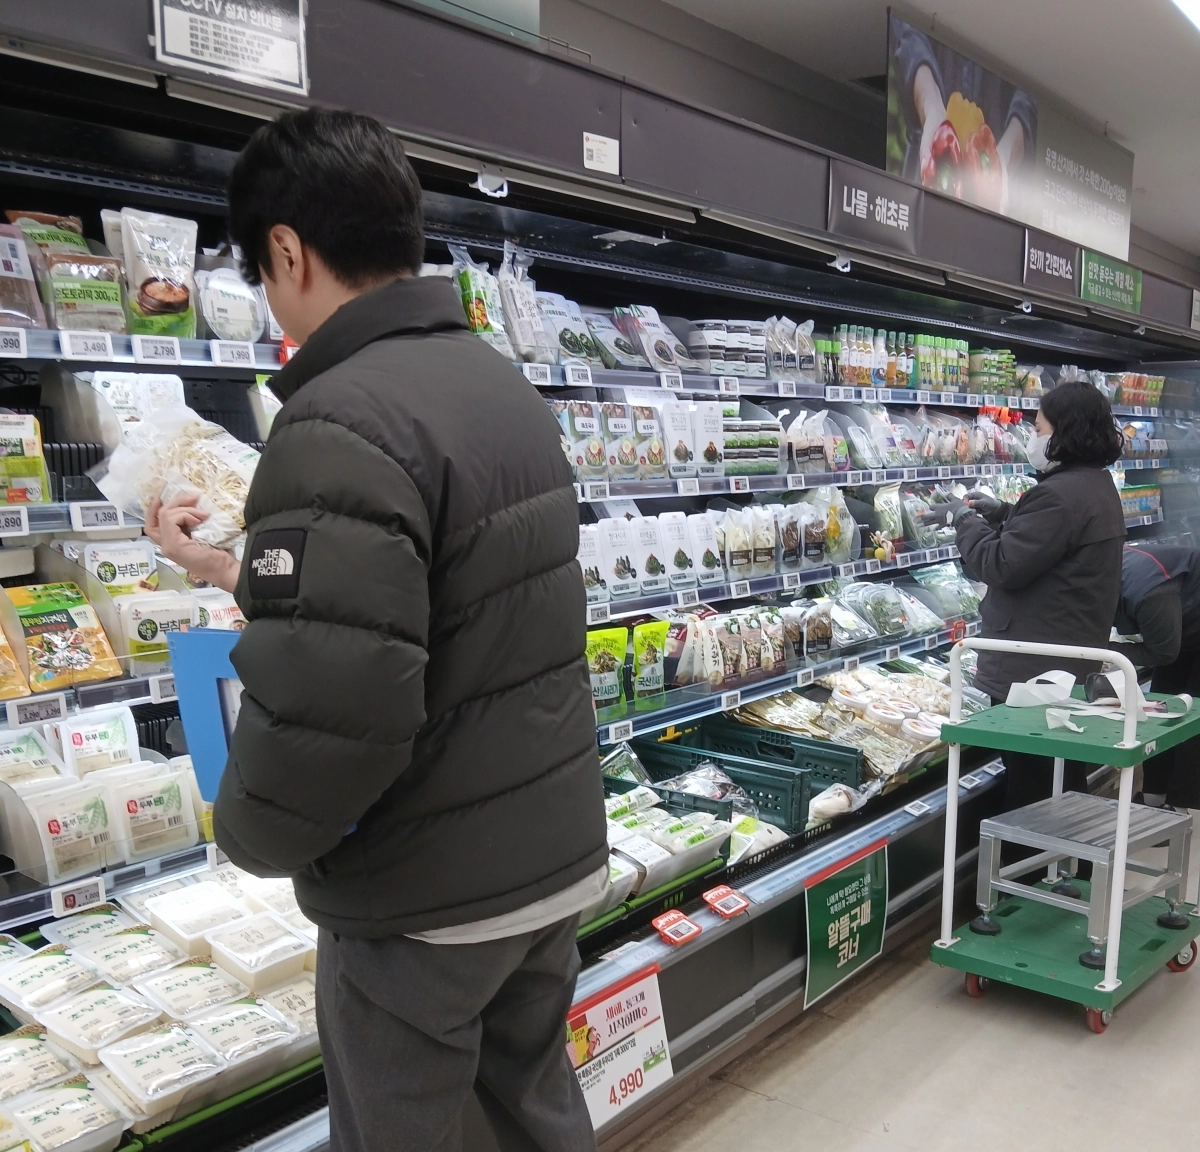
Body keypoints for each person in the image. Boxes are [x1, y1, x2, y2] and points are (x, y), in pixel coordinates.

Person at [145, 108, 606, 1152]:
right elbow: (436, 607)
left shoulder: (337, 415)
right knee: (531, 1117)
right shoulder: (499, 384)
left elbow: (337, 702)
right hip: (544, 858)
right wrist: (228, 570)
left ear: (287, 250)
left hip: (425, 894)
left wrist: (249, 833)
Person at [932, 381, 1126, 811]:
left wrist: (962, 518)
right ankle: (1064, 869)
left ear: (1063, 433)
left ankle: (1034, 869)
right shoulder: (1094, 484)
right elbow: (1051, 542)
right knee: (1059, 772)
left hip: (1035, 668)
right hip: (1067, 657)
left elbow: (1000, 563)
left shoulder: (1061, 495)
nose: (1035, 438)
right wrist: (1002, 512)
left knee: (1035, 785)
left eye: (1039, 427)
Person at [1110, 542, 1200, 809]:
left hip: (1181, 623)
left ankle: (1179, 807)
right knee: (1163, 707)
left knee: (1194, 715)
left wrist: (1105, 649)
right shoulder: (1108, 567)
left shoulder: (1147, 591)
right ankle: (1154, 797)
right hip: (1184, 622)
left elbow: (1163, 653)